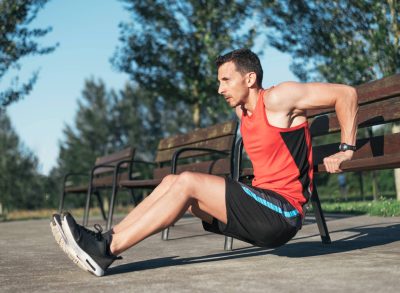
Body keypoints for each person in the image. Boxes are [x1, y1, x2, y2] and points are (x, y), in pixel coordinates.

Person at [50, 48, 358, 276]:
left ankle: (105, 251)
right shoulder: (243, 112)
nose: (220, 88)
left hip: (283, 213)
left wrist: (346, 149)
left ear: (249, 78)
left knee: (186, 181)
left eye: (226, 80)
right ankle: (104, 239)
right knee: (172, 182)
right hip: (261, 207)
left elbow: (346, 94)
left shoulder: (279, 98)